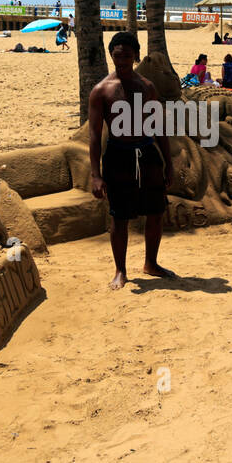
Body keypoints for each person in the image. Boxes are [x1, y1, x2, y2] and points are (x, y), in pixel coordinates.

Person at [87, 31, 175, 290]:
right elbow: (94, 135)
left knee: (156, 211)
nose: (122, 59)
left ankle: (151, 263)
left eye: (127, 55)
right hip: (118, 155)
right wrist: (95, 174)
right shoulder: (101, 91)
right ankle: (120, 270)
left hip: (147, 153)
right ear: (111, 55)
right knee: (119, 217)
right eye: (117, 55)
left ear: (136, 56)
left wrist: (168, 163)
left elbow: (158, 127)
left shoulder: (147, 87)